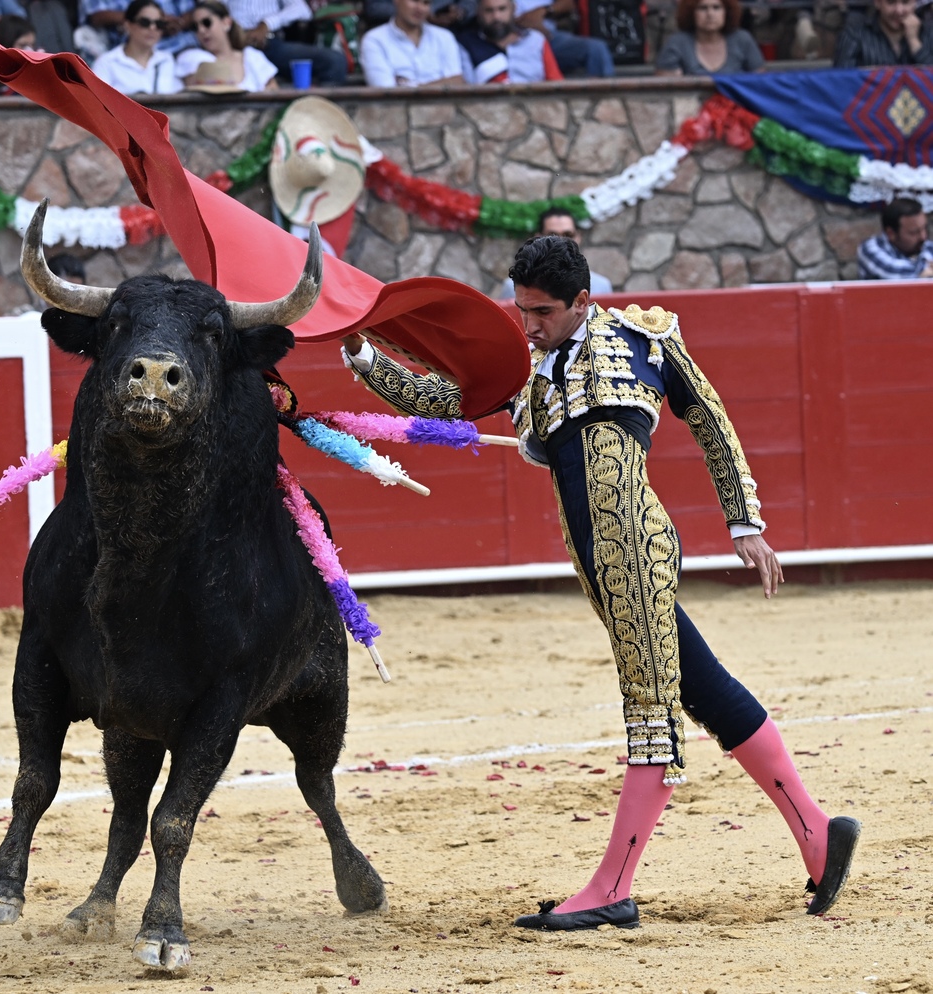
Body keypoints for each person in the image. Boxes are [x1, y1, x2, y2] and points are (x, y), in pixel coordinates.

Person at [340, 235, 860, 931]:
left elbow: (709, 418)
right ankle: (819, 835)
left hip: (636, 549)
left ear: (582, 300)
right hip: (596, 562)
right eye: (521, 309)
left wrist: (745, 523)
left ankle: (612, 888)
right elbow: (448, 399)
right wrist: (363, 355)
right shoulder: (524, 365)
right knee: (705, 688)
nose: (529, 324)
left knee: (650, 705)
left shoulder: (642, 338)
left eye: (543, 312)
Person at [225, 0, 347, 86]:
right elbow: (215, 10)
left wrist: (267, 24)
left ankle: (318, 112)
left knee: (334, 61)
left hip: (270, 44)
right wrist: (236, 34)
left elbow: (302, 9)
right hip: (231, 47)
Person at [499, 207, 612, 298]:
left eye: (568, 235)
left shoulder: (601, 286)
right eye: (552, 235)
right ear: (538, 237)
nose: (561, 242)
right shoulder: (514, 287)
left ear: (579, 237)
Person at [175, 0, 277, 88]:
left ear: (226, 23)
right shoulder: (192, 59)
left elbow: (273, 92)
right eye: (195, 27)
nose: (201, 30)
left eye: (207, 23)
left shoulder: (253, 57)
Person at [360, 0, 465, 86]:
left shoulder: (444, 37)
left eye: (426, 3)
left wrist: (406, 85)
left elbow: (457, 83)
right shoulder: (374, 40)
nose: (420, 8)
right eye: (414, 1)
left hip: (444, 106)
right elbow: (386, 93)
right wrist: (441, 84)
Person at [457, 0, 563, 82]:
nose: (496, 17)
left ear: (513, 9)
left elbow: (555, 82)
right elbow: (466, 89)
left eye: (502, 9)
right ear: (478, 12)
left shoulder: (535, 40)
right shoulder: (467, 44)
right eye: (489, 11)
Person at [92, 0, 184, 93]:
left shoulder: (167, 60)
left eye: (159, 24)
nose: (152, 28)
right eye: (145, 22)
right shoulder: (106, 62)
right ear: (128, 25)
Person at [655, 0, 763, 74]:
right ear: (691, 13)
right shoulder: (677, 43)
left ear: (726, 12)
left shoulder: (742, 39)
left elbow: (760, 84)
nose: (710, 14)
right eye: (702, 8)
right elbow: (666, 90)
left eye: (716, 7)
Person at [512, 0, 615, 77]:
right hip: (513, 37)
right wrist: (525, 23)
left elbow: (568, 3)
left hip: (550, 37)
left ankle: (602, 98)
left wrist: (545, 10)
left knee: (596, 49)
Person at [834, 0, 933, 65]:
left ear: (915, 3)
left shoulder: (928, 34)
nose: (899, 10)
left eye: (905, 2)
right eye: (891, 2)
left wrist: (914, 42)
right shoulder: (854, 35)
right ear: (878, 3)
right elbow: (841, 82)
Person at [857, 197, 933, 279]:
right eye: (913, 232)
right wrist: (923, 271)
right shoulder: (870, 248)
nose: (923, 236)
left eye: (924, 228)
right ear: (891, 233)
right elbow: (894, 272)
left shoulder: (924, 245)